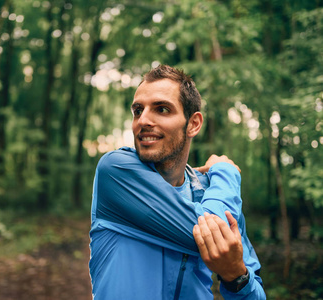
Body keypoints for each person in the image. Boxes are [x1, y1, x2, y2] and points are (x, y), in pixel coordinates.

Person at [89, 65, 266, 299]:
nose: (143, 120)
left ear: (193, 124)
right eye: (138, 110)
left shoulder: (215, 196)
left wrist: (236, 276)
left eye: (162, 109)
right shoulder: (116, 170)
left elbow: (256, 293)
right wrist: (226, 171)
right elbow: (205, 233)